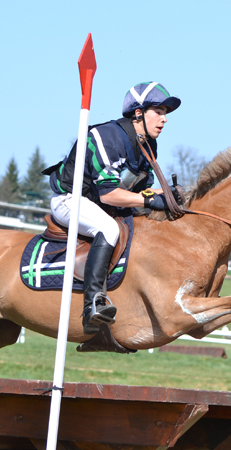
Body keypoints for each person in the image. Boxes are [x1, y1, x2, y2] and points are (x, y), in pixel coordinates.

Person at [45, 81, 181, 333]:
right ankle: (93, 303)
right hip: (69, 199)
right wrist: (149, 200)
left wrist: (173, 194)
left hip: (100, 202)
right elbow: (108, 194)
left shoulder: (148, 145)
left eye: (166, 114)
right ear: (138, 113)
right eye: (159, 112)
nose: (164, 119)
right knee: (108, 229)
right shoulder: (108, 137)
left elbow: (142, 190)